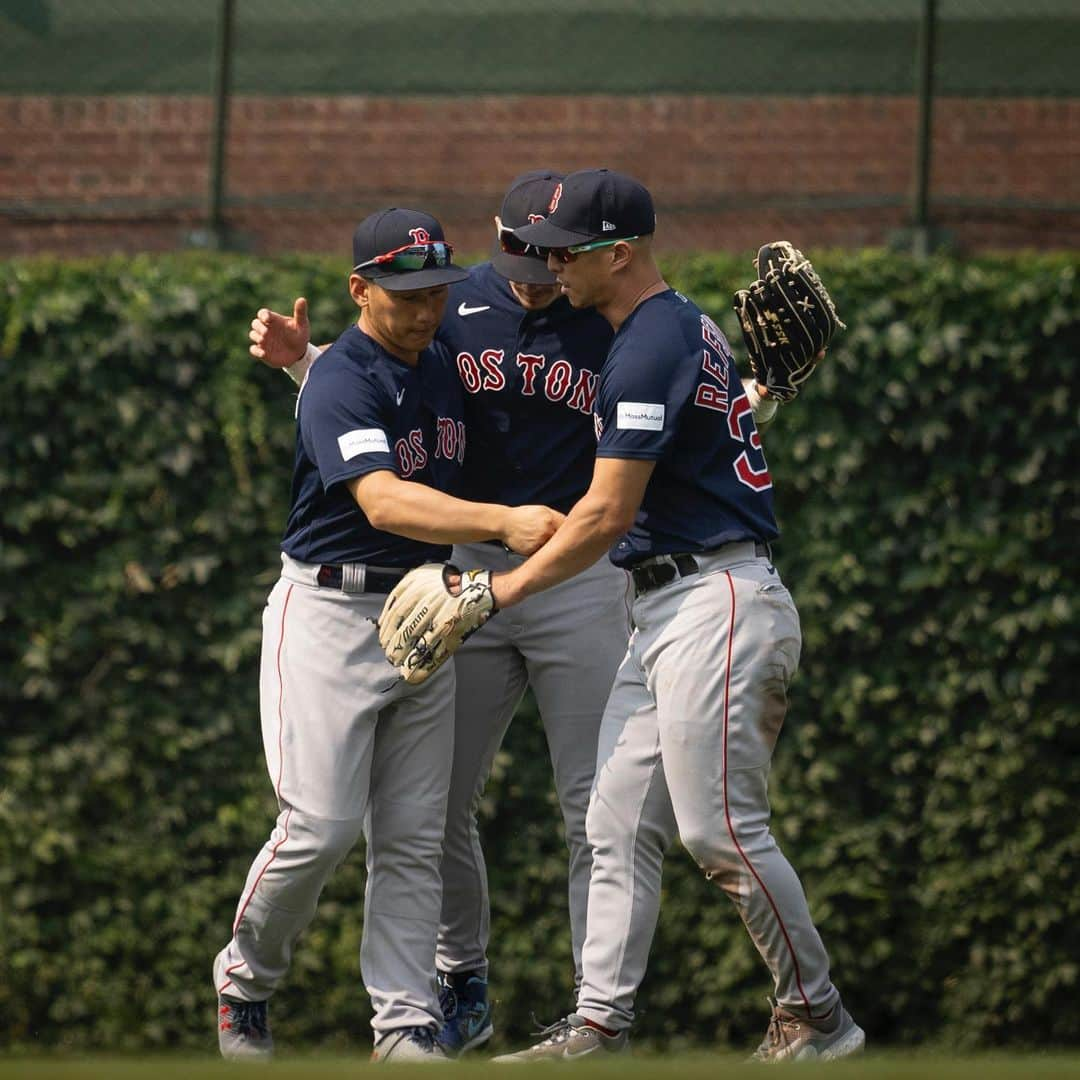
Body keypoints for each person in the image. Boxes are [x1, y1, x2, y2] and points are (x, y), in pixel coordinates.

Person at [248, 172, 781, 1056]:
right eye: (518, 255)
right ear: (496, 238)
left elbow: (667, 415)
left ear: (580, 251)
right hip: (461, 577)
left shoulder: (609, 313)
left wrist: (740, 399)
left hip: (577, 572)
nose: (535, 275)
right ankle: (460, 982)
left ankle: (595, 1016)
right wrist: (306, 362)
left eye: (552, 257)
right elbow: (373, 394)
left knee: (595, 804)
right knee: (435, 806)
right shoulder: (450, 307)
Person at [456, 168, 865, 1063]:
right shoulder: (676, 331)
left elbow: (603, 517)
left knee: (719, 830)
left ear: (623, 251)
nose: (553, 262)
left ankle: (818, 1014)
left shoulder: (647, 343)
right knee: (610, 820)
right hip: (669, 605)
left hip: (716, 600)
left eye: (572, 249)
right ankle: (598, 1025)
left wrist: (497, 591)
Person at [213, 207, 563, 1063]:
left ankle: (404, 1025)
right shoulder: (344, 377)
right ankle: (246, 979)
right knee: (320, 826)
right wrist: (503, 523)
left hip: (422, 612)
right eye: (402, 292)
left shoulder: (439, 367)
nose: (423, 308)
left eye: (436, 290)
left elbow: (529, 441)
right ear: (359, 288)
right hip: (329, 614)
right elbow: (382, 499)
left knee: (412, 835)